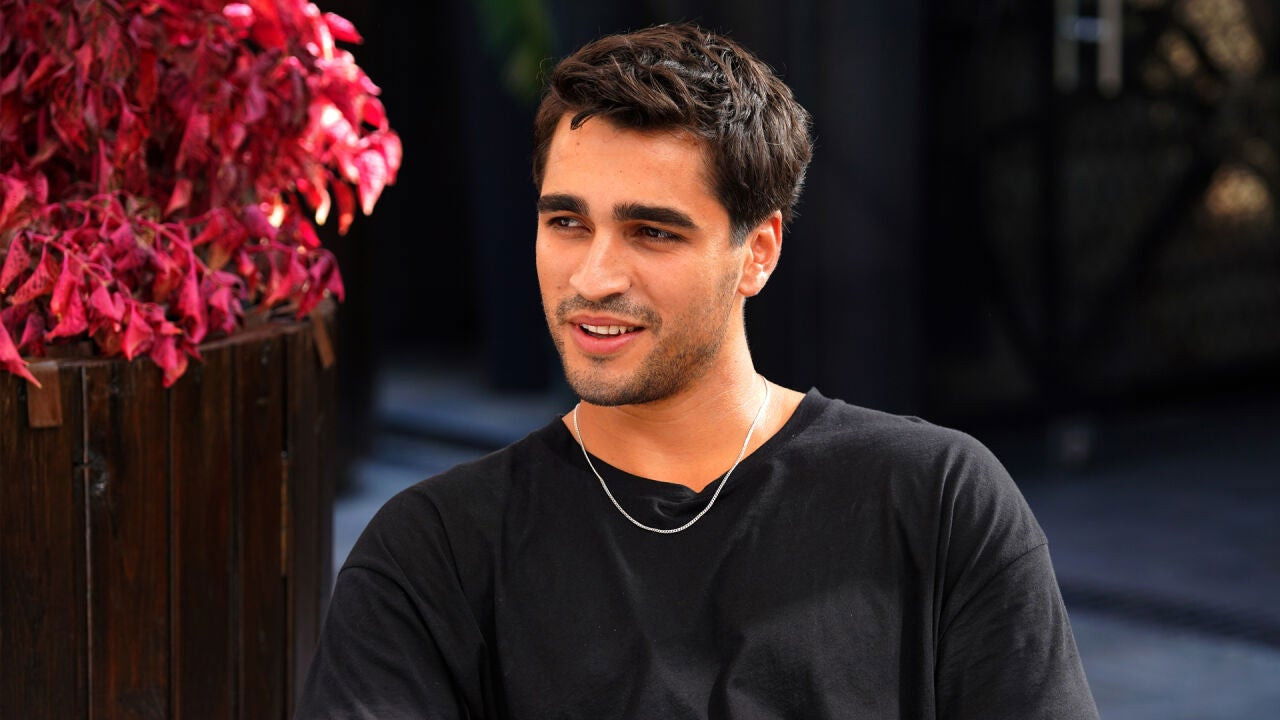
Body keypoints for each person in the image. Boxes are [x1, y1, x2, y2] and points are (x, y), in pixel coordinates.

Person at [296, 23, 1099, 719]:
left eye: (653, 233)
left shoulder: (936, 501)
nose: (594, 277)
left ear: (758, 253)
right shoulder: (434, 552)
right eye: (567, 222)